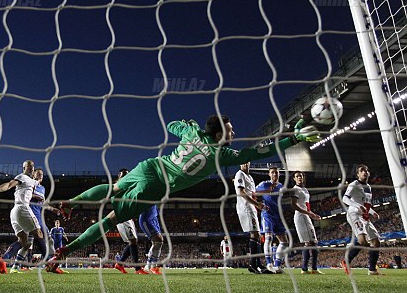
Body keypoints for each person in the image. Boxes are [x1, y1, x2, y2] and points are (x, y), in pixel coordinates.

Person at [46, 116, 320, 272]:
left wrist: (187, 125)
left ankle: (69, 202)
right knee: (110, 221)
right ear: (219, 132)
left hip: (151, 165)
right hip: (157, 186)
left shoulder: (193, 134)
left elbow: (172, 126)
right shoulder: (221, 154)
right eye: (230, 128)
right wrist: (291, 139)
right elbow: (258, 152)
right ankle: (63, 252)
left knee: (114, 187)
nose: (234, 131)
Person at [0, 160, 63, 274]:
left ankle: (3, 259)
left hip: (15, 212)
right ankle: (50, 264)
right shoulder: (22, 177)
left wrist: (54, 207)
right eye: (28, 167)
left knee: (24, 243)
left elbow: (41, 198)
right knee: (39, 235)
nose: (31, 168)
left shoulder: (34, 183)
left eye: (32, 167)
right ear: (24, 168)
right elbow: (8, 185)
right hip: (23, 209)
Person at [342, 164, 383, 276]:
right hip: (354, 214)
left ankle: (372, 270)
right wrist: (356, 205)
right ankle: (346, 261)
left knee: (376, 242)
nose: (365, 172)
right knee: (362, 241)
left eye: (366, 170)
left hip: (365, 216)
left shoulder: (368, 187)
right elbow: (345, 198)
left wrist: (372, 212)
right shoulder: (354, 184)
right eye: (362, 170)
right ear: (358, 174)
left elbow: (366, 204)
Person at [234, 162, 268, 274]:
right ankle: (253, 264)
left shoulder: (250, 177)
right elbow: (241, 192)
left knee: (257, 235)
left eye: (247, 162)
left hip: (252, 207)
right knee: (255, 234)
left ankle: (258, 264)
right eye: (243, 162)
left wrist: (259, 203)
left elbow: (252, 193)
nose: (245, 164)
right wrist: (257, 204)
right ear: (240, 164)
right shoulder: (240, 174)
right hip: (246, 207)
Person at [256, 167, 290, 274]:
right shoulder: (264, 184)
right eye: (272, 172)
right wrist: (259, 204)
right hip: (267, 215)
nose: (275, 174)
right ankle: (269, 264)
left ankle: (277, 265)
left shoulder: (281, 187)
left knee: (284, 242)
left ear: (279, 174)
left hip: (278, 216)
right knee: (269, 238)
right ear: (269, 174)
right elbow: (253, 193)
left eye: (276, 172)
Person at [113, 169, 146, 275]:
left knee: (133, 241)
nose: (126, 177)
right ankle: (137, 268)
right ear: (119, 176)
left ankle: (120, 264)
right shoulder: (118, 186)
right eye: (124, 175)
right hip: (122, 215)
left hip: (126, 216)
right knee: (133, 241)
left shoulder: (125, 186)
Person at [290, 171, 322, 274]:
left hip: (306, 216)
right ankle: (304, 269)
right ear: (294, 179)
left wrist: (313, 214)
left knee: (314, 243)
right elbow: (294, 205)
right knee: (308, 243)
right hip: (300, 217)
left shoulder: (305, 190)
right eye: (297, 176)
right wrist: (309, 214)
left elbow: (306, 206)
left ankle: (314, 269)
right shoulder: (295, 189)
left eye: (301, 176)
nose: (300, 177)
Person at [139, 205, 164, 274]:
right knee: (159, 240)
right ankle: (153, 266)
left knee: (156, 242)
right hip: (146, 219)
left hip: (154, 219)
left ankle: (148, 266)